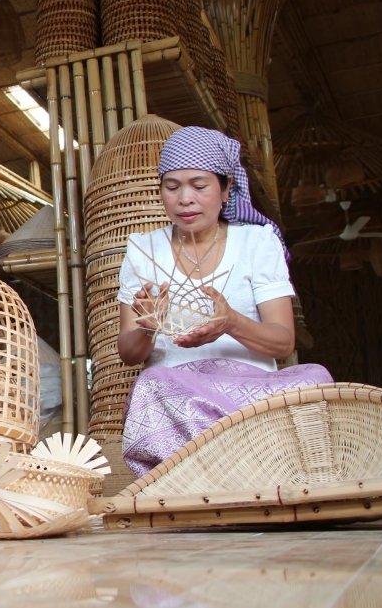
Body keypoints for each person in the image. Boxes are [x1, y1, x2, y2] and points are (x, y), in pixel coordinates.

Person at [116, 126, 332, 477]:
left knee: (315, 378)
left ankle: (226, 468)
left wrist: (232, 322)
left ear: (226, 188)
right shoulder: (142, 249)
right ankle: (223, 472)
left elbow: (283, 342)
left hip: (253, 398)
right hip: (178, 398)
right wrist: (149, 330)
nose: (185, 199)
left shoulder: (258, 243)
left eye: (199, 186)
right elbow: (128, 353)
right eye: (172, 187)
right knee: (153, 384)